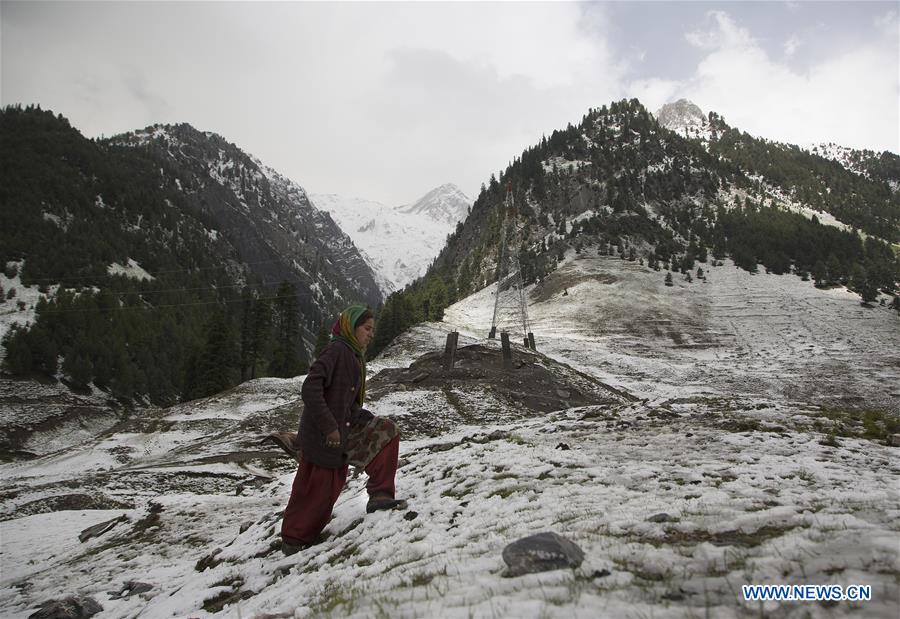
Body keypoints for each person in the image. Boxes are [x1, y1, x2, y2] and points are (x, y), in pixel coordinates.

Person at [281, 304, 404, 555]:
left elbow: (346, 401)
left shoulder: (353, 355)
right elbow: (310, 389)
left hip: (343, 429)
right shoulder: (337, 351)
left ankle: (380, 496)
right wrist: (329, 428)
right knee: (318, 491)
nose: (371, 334)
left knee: (386, 431)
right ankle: (294, 540)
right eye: (366, 329)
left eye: (372, 330)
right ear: (351, 327)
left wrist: (364, 418)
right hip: (323, 436)